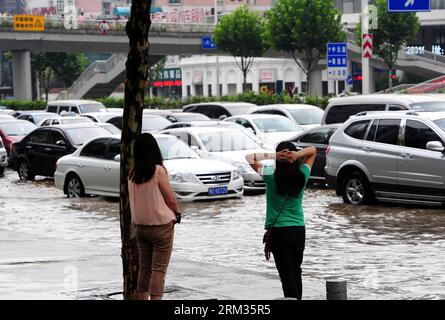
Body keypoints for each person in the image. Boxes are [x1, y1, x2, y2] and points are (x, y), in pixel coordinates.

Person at [246, 142, 316, 300]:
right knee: (296, 270)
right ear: (294, 159)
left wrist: (274, 155)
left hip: (279, 232)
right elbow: (312, 151)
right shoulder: (302, 175)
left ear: (279, 159)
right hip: (299, 230)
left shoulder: (270, 176)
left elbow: (249, 157)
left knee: (286, 275)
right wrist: (297, 154)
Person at [128, 133, 178, 300]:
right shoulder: (158, 171)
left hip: (140, 227)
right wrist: (176, 214)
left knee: (145, 268)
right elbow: (170, 199)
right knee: (158, 270)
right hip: (161, 227)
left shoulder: (132, 174)